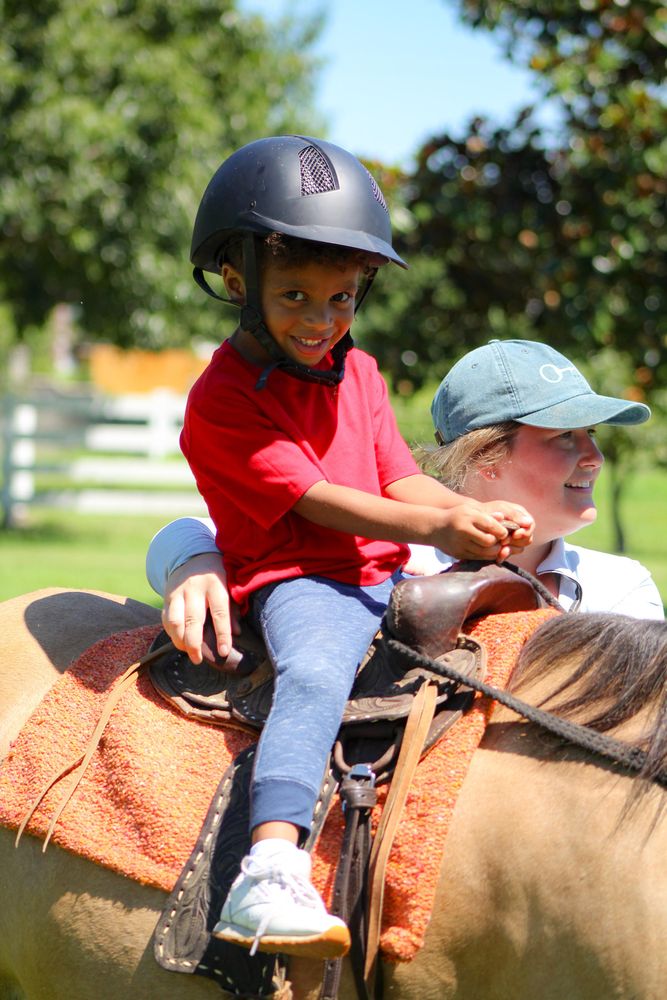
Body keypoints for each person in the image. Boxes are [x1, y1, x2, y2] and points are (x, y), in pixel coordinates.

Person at [167, 135, 534, 961]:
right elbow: (317, 502)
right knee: (317, 671)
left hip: (385, 569)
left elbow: (399, 477)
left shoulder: (357, 371)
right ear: (237, 281)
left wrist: (474, 516)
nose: (321, 319)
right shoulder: (220, 399)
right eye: (294, 294)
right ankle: (269, 866)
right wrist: (439, 529)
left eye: (341, 299)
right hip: (302, 578)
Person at [147, 340, 663, 667]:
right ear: (485, 457)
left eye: (590, 434)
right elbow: (195, 528)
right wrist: (194, 561)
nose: (594, 456)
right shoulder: (389, 561)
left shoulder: (620, 591)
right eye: (565, 437)